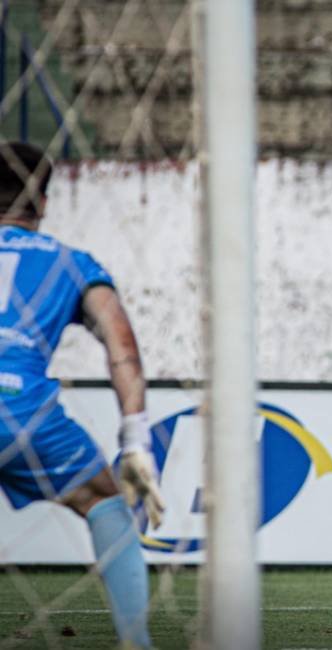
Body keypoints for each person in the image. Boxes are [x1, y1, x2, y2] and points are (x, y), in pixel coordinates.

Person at [0, 142, 164, 648]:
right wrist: (134, 439)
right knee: (104, 499)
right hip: (23, 409)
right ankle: (137, 643)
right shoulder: (72, 262)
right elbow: (122, 346)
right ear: (44, 203)